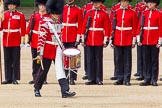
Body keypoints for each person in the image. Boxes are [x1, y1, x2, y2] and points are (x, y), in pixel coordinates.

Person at [34, 0, 76, 98]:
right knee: (44, 70)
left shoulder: (57, 22)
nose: (57, 15)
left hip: (57, 49)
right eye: (56, 14)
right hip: (47, 50)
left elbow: (59, 37)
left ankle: (65, 91)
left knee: (60, 69)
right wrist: (40, 53)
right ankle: (36, 88)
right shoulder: (44, 21)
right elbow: (41, 38)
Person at [81, 0, 111, 85]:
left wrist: (106, 40)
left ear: (101, 3)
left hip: (98, 39)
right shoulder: (89, 13)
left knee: (98, 59)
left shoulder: (104, 14)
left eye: (97, 2)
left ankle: (99, 78)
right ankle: (91, 78)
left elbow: (107, 27)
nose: (96, 4)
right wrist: (83, 39)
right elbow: (84, 26)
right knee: (90, 59)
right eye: (94, 2)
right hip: (90, 38)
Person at [110, 0, 138, 86]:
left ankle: (126, 78)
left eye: (125, 2)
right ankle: (119, 78)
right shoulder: (116, 12)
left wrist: (134, 40)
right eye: (122, 1)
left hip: (127, 38)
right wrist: (112, 39)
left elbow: (135, 27)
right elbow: (113, 26)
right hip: (118, 38)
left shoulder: (132, 13)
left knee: (127, 60)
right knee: (118, 59)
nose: (124, 3)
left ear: (128, 3)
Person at [137, 0, 162, 86]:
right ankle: (147, 78)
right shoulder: (144, 13)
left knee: (154, 60)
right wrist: (139, 38)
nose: (149, 4)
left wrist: (160, 40)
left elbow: (160, 28)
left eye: (151, 3)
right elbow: (139, 26)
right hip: (145, 40)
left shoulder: (159, 14)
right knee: (146, 60)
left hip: (154, 40)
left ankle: (153, 79)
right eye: (148, 2)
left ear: (155, 4)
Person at [0, 0, 26, 84]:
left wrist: (22, 41)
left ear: (15, 5)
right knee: (7, 59)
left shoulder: (20, 15)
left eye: (11, 5)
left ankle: (15, 78)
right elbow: (1, 28)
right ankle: (8, 78)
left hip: (15, 40)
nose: (9, 6)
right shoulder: (4, 15)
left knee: (15, 60)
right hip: (6, 40)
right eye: (9, 5)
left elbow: (23, 29)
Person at [26, 0, 49, 84]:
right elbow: (29, 29)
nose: (42, 7)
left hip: (43, 42)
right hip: (35, 41)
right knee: (35, 60)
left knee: (43, 61)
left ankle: (43, 78)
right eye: (40, 6)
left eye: (43, 6)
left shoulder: (48, 16)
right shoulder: (34, 16)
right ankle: (35, 77)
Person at [61, 0, 83, 85]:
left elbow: (80, 24)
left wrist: (78, 38)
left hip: (73, 35)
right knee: (64, 57)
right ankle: (65, 76)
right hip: (63, 36)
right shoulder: (62, 9)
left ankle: (73, 78)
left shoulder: (78, 10)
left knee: (73, 58)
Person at [134, 0, 147, 81]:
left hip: (148, 35)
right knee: (140, 54)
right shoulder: (140, 8)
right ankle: (140, 71)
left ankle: (145, 73)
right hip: (141, 33)